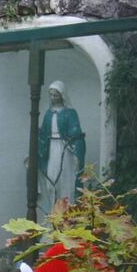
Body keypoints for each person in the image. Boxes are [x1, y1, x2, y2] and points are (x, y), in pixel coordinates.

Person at [37, 80, 86, 216]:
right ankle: (55, 214)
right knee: (52, 179)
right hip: (51, 150)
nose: (53, 98)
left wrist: (77, 155)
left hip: (65, 151)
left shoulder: (70, 113)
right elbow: (42, 135)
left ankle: (67, 214)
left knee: (65, 179)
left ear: (62, 95)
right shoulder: (48, 114)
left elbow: (76, 135)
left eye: (55, 95)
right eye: (51, 95)